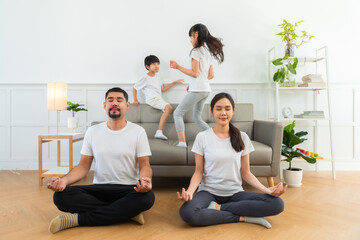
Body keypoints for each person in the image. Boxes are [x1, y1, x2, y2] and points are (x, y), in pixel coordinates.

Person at [47, 87, 155, 234]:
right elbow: (83, 166)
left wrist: (145, 180)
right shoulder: (93, 131)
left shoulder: (138, 132)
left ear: (127, 105)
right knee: (61, 196)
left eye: (119, 100)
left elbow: (144, 164)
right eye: (110, 100)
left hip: (128, 188)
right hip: (99, 188)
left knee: (147, 197)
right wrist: (63, 181)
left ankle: (77, 220)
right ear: (105, 105)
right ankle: (126, 212)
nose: (114, 103)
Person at [177, 92, 287, 228]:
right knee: (187, 212)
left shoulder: (242, 137)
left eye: (227, 109)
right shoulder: (202, 137)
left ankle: (218, 208)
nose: (223, 112)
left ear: (233, 111)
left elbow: (246, 173)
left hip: (235, 192)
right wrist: (189, 191)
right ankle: (242, 218)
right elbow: (198, 172)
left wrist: (267, 190)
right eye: (219, 109)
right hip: (208, 192)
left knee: (277, 204)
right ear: (212, 112)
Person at [170, 23, 224, 147]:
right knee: (197, 117)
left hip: (198, 89)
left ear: (196, 34)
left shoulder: (195, 51)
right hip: (205, 89)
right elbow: (210, 75)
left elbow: (195, 73)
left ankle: (182, 143)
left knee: (177, 113)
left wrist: (177, 67)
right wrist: (194, 84)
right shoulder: (208, 52)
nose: (190, 40)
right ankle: (216, 139)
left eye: (190, 37)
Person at [133, 55, 184, 140]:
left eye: (158, 64)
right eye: (153, 64)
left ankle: (159, 132)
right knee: (169, 108)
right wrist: (135, 100)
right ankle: (159, 132)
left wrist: (174, 82)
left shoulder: (157, 77)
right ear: (147, 66)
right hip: (152, 99)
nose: (157, 66)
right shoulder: (145, 78)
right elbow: (134, 88)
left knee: (169, 109)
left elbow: (163, 89)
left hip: (158, 99)